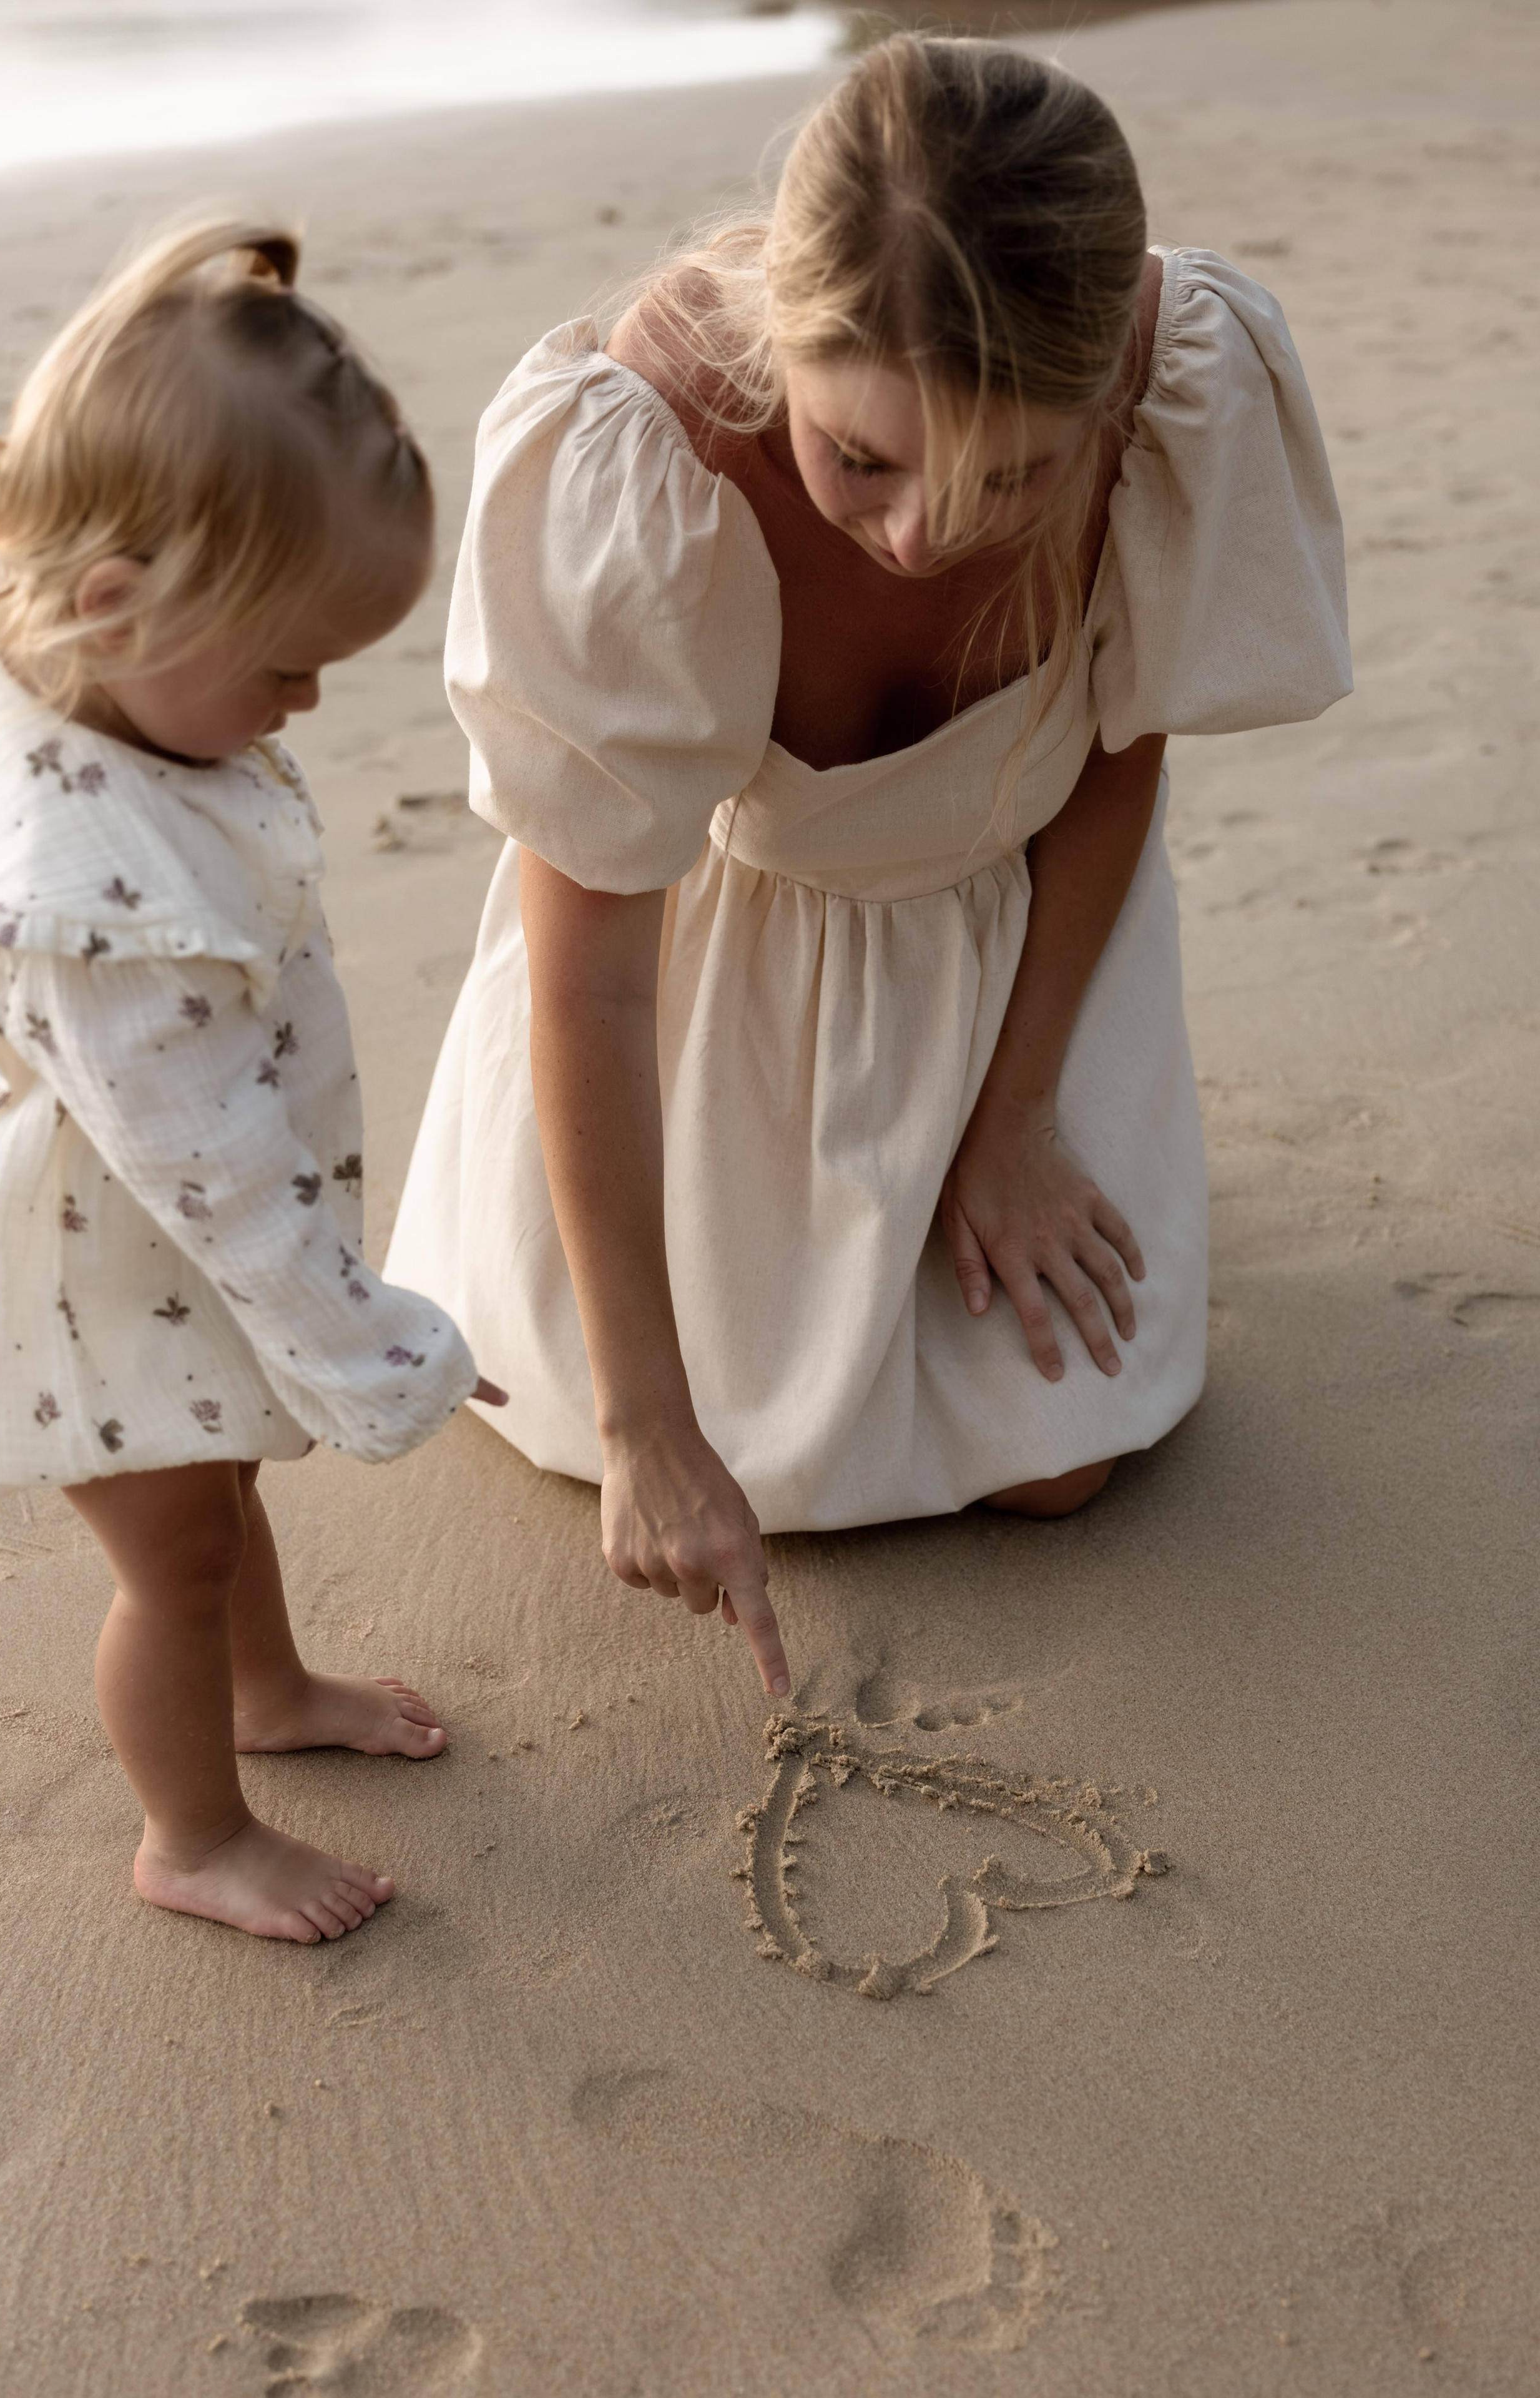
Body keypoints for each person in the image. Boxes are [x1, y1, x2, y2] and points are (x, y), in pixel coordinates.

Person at [387, 37, 1351, 1701]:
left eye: (1016, 476)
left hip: (1017, 950)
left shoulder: (1169, 376)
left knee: (1061, 1467)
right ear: (785, 353)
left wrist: (1022, 1117)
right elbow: (594, 962)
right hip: (701, 997)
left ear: (1106, 382)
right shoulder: (653, 440)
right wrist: (643, 1419)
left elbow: (1119, 752)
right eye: (865, 459)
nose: (924, 535)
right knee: (660, 1436)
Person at [0, 221, 505, 1943]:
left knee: (223, 1479)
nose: (311, 700)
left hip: (153, 1234)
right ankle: (192, 1829)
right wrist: (378, 1342)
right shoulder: (84, 892)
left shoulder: (68, 677)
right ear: (116, 603)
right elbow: (217, 1178)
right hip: (100, 1263)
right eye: (283, 665)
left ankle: (268, 1689)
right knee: (168, 1556)